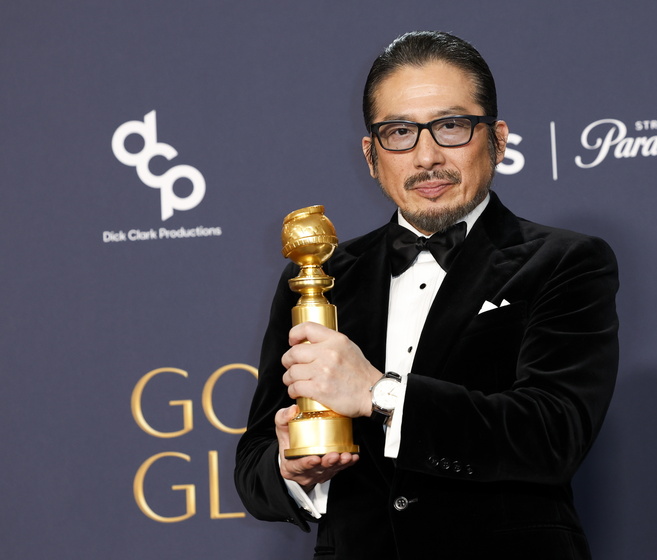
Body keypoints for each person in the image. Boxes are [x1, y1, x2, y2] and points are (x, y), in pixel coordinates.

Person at [235, 30, 619, 559]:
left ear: (498, 139)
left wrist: (379, 393)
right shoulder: (322, 278)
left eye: (451, 126)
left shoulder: (565, 261)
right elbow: (253, 464)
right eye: (399, 133)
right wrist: (293, 468)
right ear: (371, 155)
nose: (426, 156)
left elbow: (553, 435)